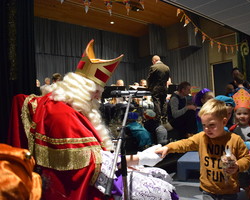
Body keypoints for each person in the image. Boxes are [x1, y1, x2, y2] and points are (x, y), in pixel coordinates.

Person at [8, 40, 177, 200]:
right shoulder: (62, 114)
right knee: (160, 190)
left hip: (91, 174)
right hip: (71, 185)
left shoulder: (72, 105)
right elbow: (89, 164)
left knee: (160, 176)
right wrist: (139, 158)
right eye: (95, 91)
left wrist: (135, 160)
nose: (98, 96)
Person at [156, 99, 250, 200]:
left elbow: (246, 158)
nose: (207, 129)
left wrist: (237, 166)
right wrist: (168, 147)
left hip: (228, 190)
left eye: (211, 125)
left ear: (224, 121)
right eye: (204, 125)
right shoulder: (202, 137)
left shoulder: (235, 140)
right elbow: (184, 144)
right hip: (208, 189)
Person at [147, 55, 170, 123]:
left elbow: (149, 78)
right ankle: (164, 117)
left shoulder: (153, 67)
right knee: (164, 102)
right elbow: (167, 78)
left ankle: (158, 117)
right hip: (164, 87)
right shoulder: (167, 67)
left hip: (156, 88)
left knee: (157, 102)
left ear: (154, 60)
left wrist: (148, 87)